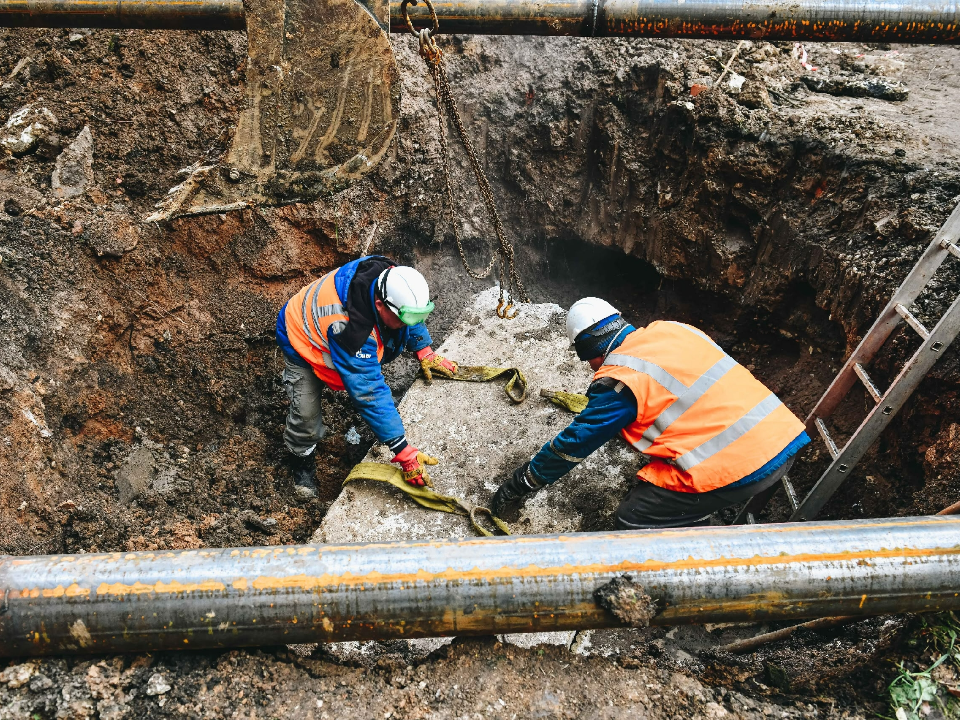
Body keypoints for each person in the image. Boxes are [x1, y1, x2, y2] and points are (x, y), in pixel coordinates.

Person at [491, 297, 810, 529]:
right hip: (782, 438)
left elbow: (573, 444)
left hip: (746, 471)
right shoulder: (673, 330)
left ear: (590, 350)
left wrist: (522, 482)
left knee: (633, 517)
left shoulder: (619, 380)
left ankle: (694, 544)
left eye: (586, 359)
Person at [275, 255, 458, 498]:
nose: (409, 323)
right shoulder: (351, 330)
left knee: (362, 360)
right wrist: (402, 450)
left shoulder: (391, 278)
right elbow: (368, 389)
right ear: (380, 305)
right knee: (306, 417)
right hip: (301, 337)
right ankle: (302, 460)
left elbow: (408, 312)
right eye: (404, 320)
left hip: (332, 332)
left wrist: (423, 350)